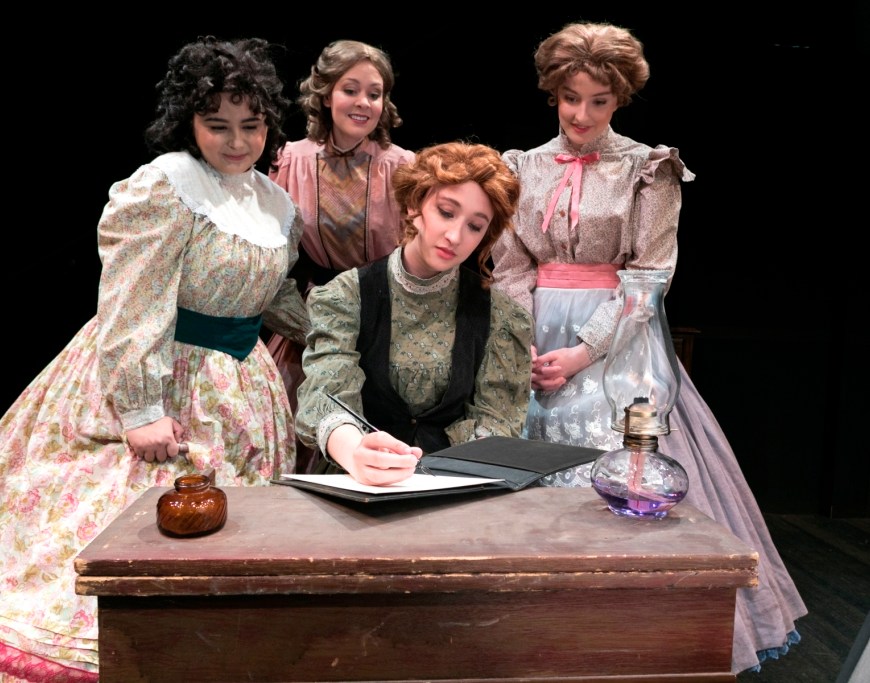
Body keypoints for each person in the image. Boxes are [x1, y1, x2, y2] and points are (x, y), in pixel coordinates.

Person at [491, 21, 807, 675]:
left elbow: (649, 275)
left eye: (598, 101)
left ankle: (623, 634)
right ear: (552, 93)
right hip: (534, 335)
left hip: (619, 341)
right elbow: (512, 264)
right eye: (570, 98)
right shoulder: (520, 166)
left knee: (624, 479)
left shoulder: (647, 168)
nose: (581, 115)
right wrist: (524, 341)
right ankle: (530, 634)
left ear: (620, 99)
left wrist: (584, 351)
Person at [0, 36, 308, 681]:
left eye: (251, 125)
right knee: (135, 519)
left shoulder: (275, 203)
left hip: (241, 387)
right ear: (188, 122)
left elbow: (270, 294)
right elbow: (133, 297)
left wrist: (340, 329)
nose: (236, 141)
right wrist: (139, 408)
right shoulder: (169, 185)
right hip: (163, 372)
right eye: (217, 124)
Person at [295, 141, 533, 485]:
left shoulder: (500, 316)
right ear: (414, 204)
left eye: (475, 226)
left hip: (457, 486)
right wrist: (354, 451)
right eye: (446, 212)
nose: (455, 236)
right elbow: (326, 393)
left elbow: (497, 420)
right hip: (360, 484)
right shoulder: (347, 296)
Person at [261, 39, 415, 473]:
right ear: (326, 94)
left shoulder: (404, 168)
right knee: (301, 437)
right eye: (351, 90)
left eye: (374, 93)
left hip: (387, 319)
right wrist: (317, 329)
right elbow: (269, 266)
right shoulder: (287, 162)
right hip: (310, 318)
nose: (363, 102)